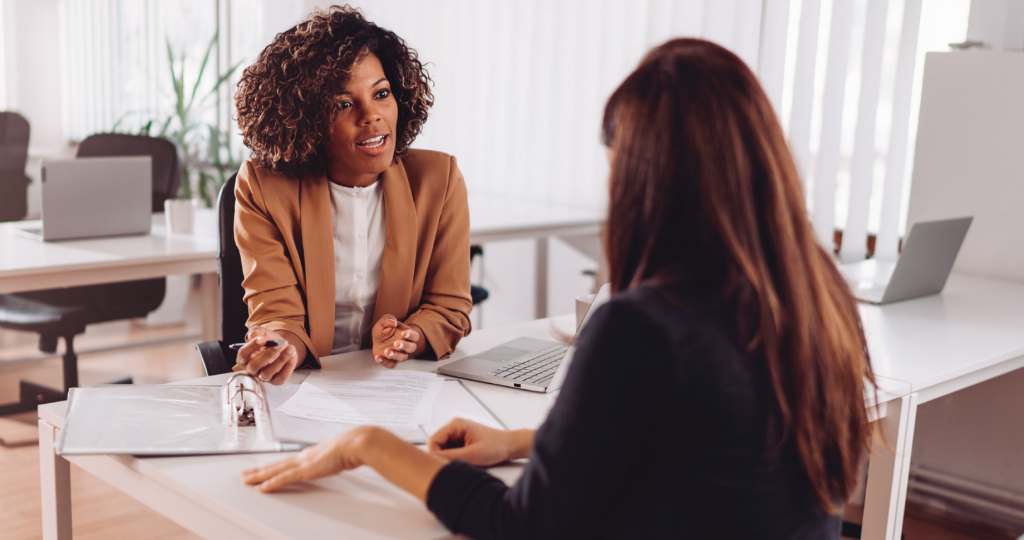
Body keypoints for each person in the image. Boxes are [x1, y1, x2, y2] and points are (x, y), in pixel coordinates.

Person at [241, 38, 877, 539]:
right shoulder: (816, 295)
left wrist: (367, 444)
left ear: (643, 179)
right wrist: (527, 442)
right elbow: (700, 441)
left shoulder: (640, 326)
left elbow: (522, 524)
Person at [231, 5, 472, 384]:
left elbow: (449, 305)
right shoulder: (265, 186)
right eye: (344, 104)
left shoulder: (437, 180)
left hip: (398, 384)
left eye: (381, 93)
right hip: (307, 383)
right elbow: (277, 313)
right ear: (306, 119)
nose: (371, 115)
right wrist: (279, 345)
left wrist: (411, 336)